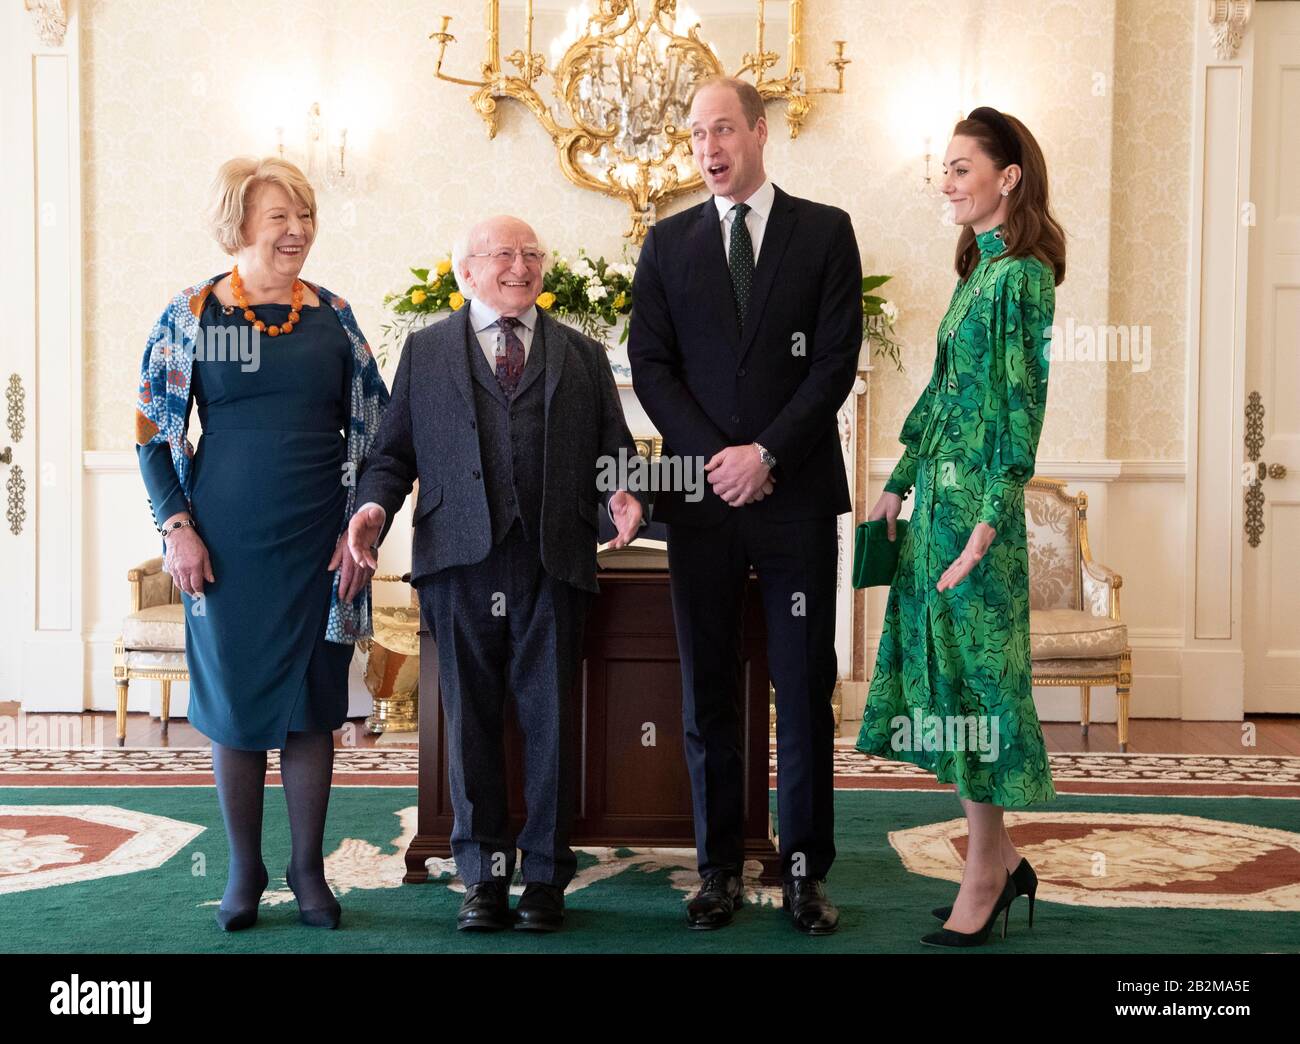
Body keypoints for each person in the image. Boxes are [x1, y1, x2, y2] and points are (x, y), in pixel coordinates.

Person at [344, 215, 645, 933]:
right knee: (470, 723)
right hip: (459, 560)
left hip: (553, 557)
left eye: (532, 254)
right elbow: (392, 455)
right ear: (467, 272)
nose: (520, 265)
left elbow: (616, 447)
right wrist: (373, 510)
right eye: (502, 254)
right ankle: (481, 877)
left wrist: (623, 489)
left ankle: (544, 878)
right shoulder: (424, 352)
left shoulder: (582, 353)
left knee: (551, 721)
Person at [628, 76, 862, 935]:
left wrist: (765, 454)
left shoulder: (826, 232)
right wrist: (714, 460)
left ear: (760, 132)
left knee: (802, 688)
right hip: (701, 503)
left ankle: (803, 872)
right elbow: (650, 364)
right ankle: (718, 868)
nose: (708, 148)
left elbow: (833, 361)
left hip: (794, 495)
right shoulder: (667, 244)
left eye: (722, 129)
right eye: (695, 135)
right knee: (709, 694)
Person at [135, 156, 390, 931]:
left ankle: (307, 870)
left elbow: (378, 429)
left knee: (314, 707)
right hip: (224, 548)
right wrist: (176, 529)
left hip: (324, 543)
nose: (297, 231)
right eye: (280, 216)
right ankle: (242, 872)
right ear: (237, 224)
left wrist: (362, 526)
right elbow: (153, 429)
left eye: (304, 215)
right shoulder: (193, 315)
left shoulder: (335, 316)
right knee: (238, 706)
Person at [856, 107, 1066, 948]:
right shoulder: (974, 271)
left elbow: (1021, 410)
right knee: (943, 692)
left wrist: (988, 523)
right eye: (942, 169)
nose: (944, 182)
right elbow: (944, 399)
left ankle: (985, 872)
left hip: (978, 522)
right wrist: (896, 487)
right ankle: (1000, 858)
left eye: (960, 167)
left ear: (1007, 176)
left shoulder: (1023, 277)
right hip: (937, 514)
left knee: (979, 693)